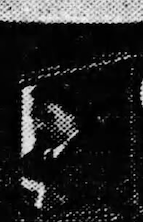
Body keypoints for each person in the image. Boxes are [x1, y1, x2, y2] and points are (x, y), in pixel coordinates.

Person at [19, 82, 115, 212]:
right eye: (35, 118)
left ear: (73, 116)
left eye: (48, 117)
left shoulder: (97, 158)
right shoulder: (28, 162)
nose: (38, 126)